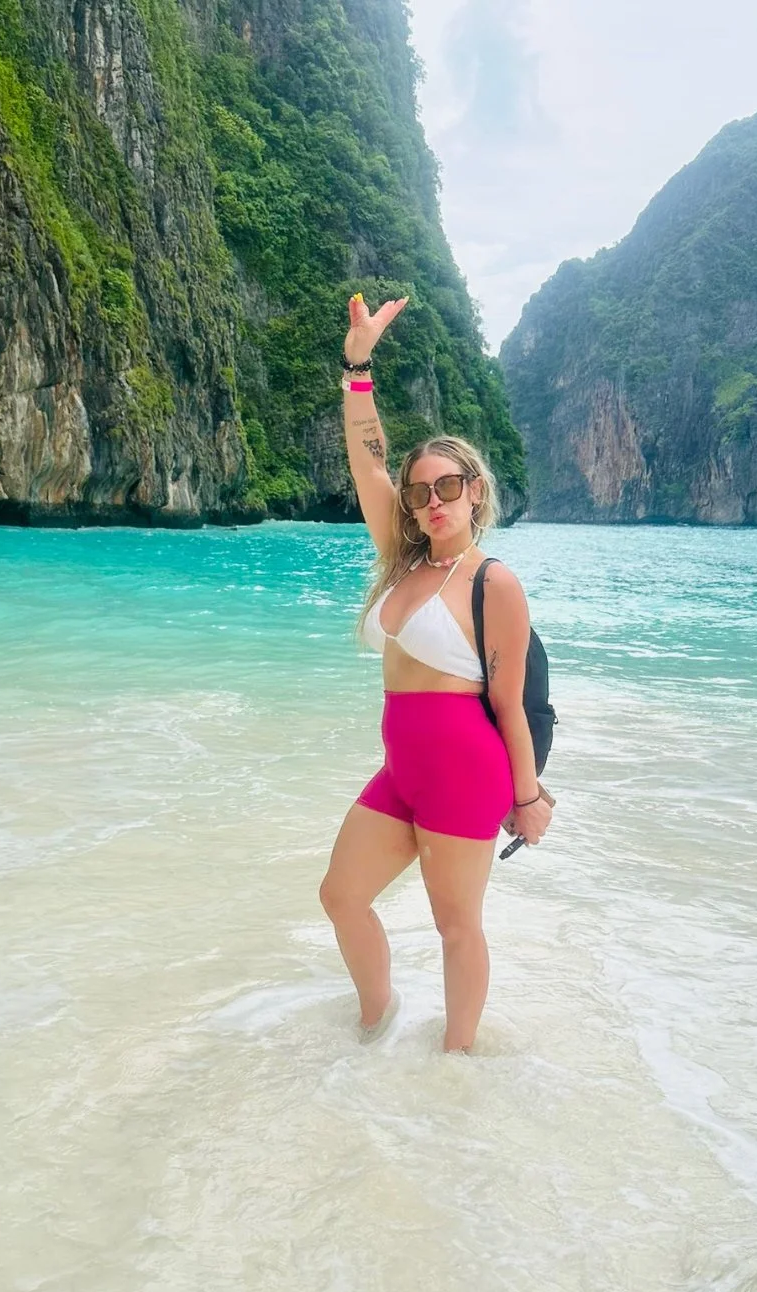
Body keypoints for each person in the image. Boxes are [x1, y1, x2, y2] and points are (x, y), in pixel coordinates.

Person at [319, 294, 554, 1053]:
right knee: (341, 895)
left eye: (447, 486)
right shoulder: (404, 557)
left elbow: (512, 708)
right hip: (402, 771)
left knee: (457, 927)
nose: (431, 501)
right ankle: (375, 1017)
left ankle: (455, 1063)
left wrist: (529, 798)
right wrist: (359, 366)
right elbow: (368, 457)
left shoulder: (494, 584)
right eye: (420, 492)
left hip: (464, 771)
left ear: (474, 491)